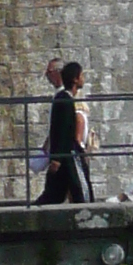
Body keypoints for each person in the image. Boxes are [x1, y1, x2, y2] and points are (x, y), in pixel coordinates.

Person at [38, 61, 92, 203]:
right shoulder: (65, 100)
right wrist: (57, 157)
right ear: (75, 79)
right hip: (68, 154)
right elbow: (62, 130)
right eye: (81, 75)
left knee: (54, 194)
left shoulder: (62, 98)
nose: (83, 78)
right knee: (81, 191)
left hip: (63, 154)